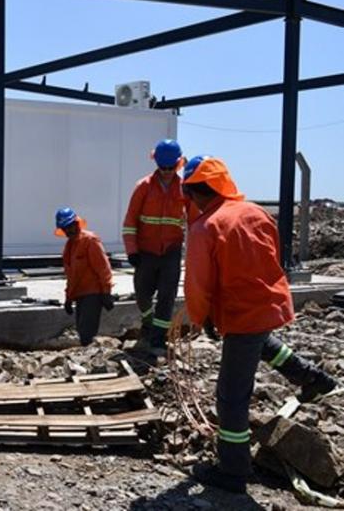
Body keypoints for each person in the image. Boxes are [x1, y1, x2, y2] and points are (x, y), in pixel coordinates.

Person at [181, 155, 339, 494]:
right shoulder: (254, 211)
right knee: (261, 343)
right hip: (269, 304)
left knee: (230, 397)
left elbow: (198, 285)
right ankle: (314, 379)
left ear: (193, 193)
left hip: (242, 314)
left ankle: (234, 470)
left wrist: (201, 318)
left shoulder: (205, 227)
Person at [122, 139, 186, 357]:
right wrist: (132, 251)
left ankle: (158, 339)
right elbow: (130, 221)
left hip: (171, 251)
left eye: (171, 167)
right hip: (146, 251)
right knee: (142, 294)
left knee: (167, 297)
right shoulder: (144, 187)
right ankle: (148, 322)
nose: (167, 172)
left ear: (178, 164)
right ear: (156, 163)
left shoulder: (185, 189)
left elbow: (194, 220)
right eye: (163, 167)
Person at [56, 207, 114, 346]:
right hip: (80, 295)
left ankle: (92, 361)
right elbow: (71, 276)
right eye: (66, 228)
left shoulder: (90, 241)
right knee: (82, 331)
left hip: (93, 293)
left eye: (71, 226)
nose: (69, 231)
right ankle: (88, 358)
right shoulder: (69, 247)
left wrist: (106, 292)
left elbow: (103, 268)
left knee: (87, 334)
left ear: (77, 223)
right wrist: (68, 298)